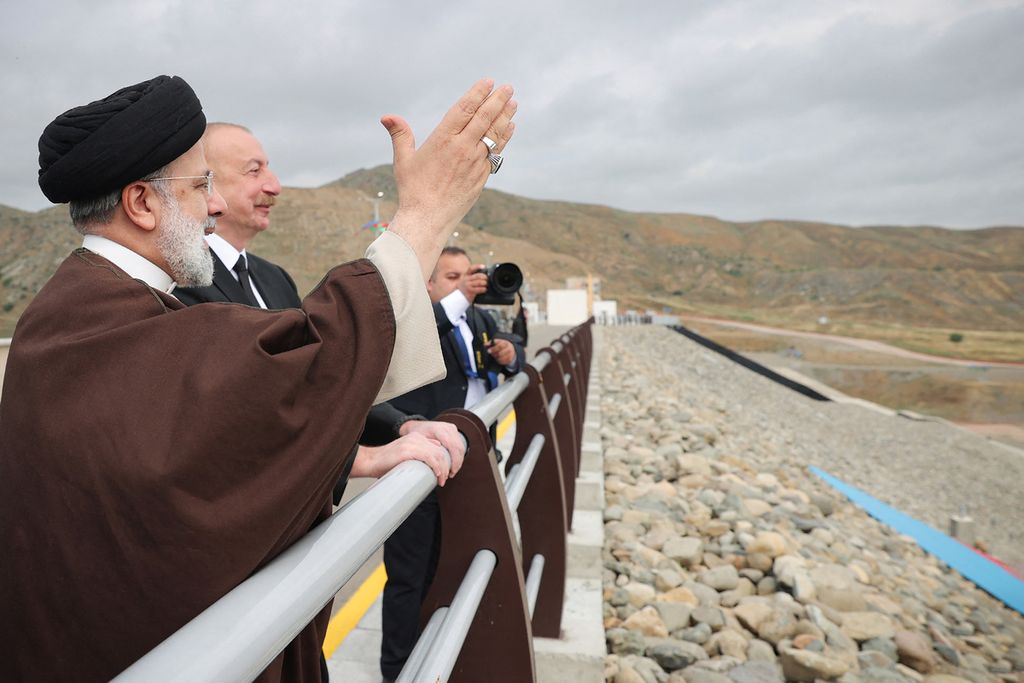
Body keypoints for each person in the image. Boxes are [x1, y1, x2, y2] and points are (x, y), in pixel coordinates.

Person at [0, 74, 515, 682]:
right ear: (141, 203)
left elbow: (224, 431)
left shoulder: (79, 312)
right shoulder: (102, 325)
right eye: (200, 186)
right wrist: (427, 214)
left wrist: (356, 456)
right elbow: (302, 368)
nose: (214, 206)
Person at [173, 122, 463, 501]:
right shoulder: (179, 285)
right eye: (254, 170)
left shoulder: (272, 278)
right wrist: (364, 460)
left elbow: (319, 381)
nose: (274, 186)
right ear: (204, 183)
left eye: (270, 169)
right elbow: (239, 420)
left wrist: (401, 425)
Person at [379, 246, 525, 682]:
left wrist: (509, 353)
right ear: (428, 283)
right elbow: (425, 333)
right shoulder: (418, 319)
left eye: (469, 276)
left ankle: (442, 653)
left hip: (469, 469)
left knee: (458, 565)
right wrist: (460, 296)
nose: (466, 284)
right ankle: (398, 671)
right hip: (421, 468)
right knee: (409, 576)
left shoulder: (477, 319)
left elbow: (517, 345)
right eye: (452, 277)